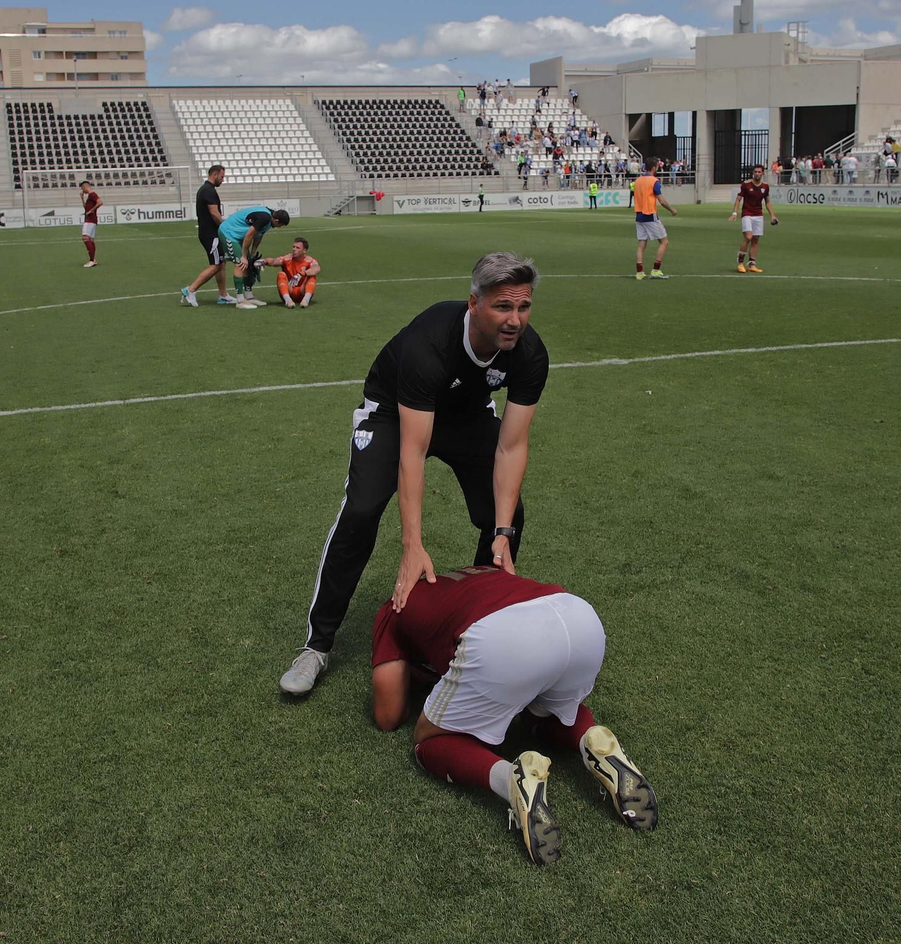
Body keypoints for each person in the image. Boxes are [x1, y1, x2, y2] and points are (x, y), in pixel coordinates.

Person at [279, 253, 548, 695]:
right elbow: (413, 450)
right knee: (362, 510)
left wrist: (502, 529)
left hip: (465, 414)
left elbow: (511, 444)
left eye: (523, 307)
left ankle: (475, 630)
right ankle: (316, 647)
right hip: (392, 411)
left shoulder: (530, 354)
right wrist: (412, 544)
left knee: (508, 514)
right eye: (503, 307)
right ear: (473, 303)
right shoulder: (432, 342)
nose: (515, 320)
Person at [370, 564, 657, 865]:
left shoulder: (395, 605)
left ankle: (509, 778)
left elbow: (388, 715)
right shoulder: (477, 572)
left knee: (426, 739)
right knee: (538, 708)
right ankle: (590, 737)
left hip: (503, 637)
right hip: (577, 616)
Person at [180, 165, 238, 308]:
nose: (222, 180)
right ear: (214, 174)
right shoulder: (208, 191)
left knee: (221, 263)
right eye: (222, 177)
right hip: (211, 235)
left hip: (209, 234)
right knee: (217, 265)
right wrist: (225, 228)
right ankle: (190, 289)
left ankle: (223, 295)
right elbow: (214, 213)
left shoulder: (206, 189)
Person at [217, 205, 291, 309]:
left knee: (248, 264)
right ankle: (240, 300)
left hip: (239, 236)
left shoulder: (271, 219)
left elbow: (259, 235)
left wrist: (252, 254)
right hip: (229, 233)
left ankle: (249, 297)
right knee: (240, 264)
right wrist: (243, 256)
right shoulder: (265, 218)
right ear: (277, 220)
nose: (280, 227)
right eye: (281, 225)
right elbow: (249, 235)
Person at [631, 158, 678, 280]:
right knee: (664, 241)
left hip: (639, 215)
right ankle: (656, 269)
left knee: (642, 243)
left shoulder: (638, 180)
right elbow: (661, 200)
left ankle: (639, 272)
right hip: (650, 215)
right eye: (657, 167)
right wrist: (672, 209)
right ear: (654, 168)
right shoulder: (654, 181)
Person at [730, 163, 778, 273]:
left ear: (762, 173)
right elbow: (738, 200)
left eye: (759, 172)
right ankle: (740, 262)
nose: (757, 174)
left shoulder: (765, 186)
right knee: (748, 237)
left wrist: (772, 215)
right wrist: (734, 213)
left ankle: (752, 264)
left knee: (755, 240)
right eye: (755, 172)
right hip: (747, 214)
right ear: (753, 173)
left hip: (758, 215)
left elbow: (767, 201)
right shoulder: (746, 184)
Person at [256, 236, 320, 309]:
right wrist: (265, 261)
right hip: (290, 290)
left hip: (303, 291)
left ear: (304, 250)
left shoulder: (310, 260)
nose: (294, 249)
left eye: (297, 248)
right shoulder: (287, 258)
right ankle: (288, 301)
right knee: (281, 274)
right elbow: (275, 261)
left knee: (312, 275)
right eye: (293, 247)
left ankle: (306, 300)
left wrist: (301, 274)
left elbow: (316, 268)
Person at [78, 181, 101, 267]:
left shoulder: (92, 194)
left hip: (90, 220)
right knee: (90, 240)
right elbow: (86, 208)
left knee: (85, 238)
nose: (82, 190)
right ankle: (93, 259)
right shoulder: (89, 196)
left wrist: (92, 210)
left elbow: (100, 202)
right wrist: (82, 199)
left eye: (82, 188)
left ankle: (91, 260)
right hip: (92, 220)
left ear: (85, 187)